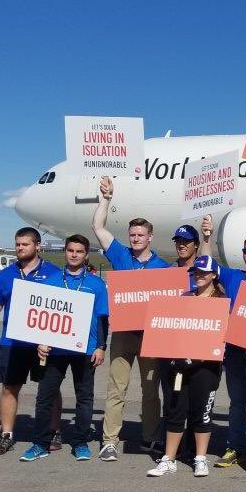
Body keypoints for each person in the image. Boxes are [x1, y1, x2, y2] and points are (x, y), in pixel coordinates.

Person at [92, 176, 169, 460]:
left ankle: (150, 437)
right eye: (132, 234)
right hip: (124, 333)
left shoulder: (164, 267)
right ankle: (110, 439)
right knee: (117, 388)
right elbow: (98, 227)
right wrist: (106, 199)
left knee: (151, 391)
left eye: (140, 235)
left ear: (150, 237)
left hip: (150, 336)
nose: (136, 239)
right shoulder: (121, 256)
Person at [21, 235, 109, 462]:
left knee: (85, 398)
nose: (74, 255)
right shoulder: (50, 281)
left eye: (79, 251)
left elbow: (102, 319)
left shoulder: (96, 284)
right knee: (44, 397)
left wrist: (101, 346)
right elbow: (41, 315)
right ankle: (40, 442)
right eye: (70, 250)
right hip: (55, 349)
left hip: (85, 349)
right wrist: (39, 341)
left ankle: (80, 442)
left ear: (86, 254)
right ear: (65, 252)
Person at [199, 215, 246, 469]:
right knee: (237, 403)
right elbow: (207, 263)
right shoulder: (234, 277)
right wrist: (206, 236)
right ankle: (234, 447)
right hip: (236, 352)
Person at [0, 227, 61, 455]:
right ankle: (6, 435)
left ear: (37, 245)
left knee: (50, 389)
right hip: (12, 344)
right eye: (17, 244)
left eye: (25, 244)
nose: (20, 248)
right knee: (9, 389)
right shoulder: (6, 275)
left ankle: (53, 430)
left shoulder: (54, 273)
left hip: (43, 345)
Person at [147, 256, 226, 477]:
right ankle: (169, 458)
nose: (199, 276)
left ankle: (200, 458)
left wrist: (196, 358)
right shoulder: (184, 297)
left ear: (213, 275)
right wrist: (171, 355)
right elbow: (173, 331)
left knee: (202, 412)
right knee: (175, 410)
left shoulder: (220, 302)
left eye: (203, 273)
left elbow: (218, 338)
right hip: (179, 366)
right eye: (196, 272)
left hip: (205, 368)